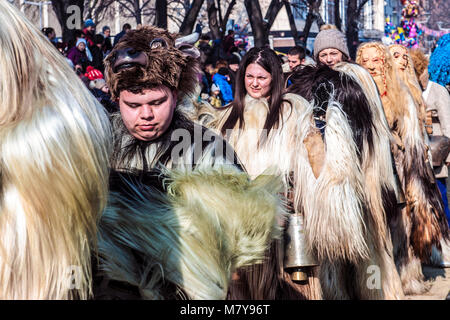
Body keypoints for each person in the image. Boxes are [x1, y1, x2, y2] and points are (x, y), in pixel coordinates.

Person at [0, 2, 283, 300]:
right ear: (115, 97)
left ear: (175, 95)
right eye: (132, 105)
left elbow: (241, 244)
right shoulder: (95, 143)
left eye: (156, 102)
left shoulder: (207, 149)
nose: (145, 114)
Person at [204, 47, 322, 300]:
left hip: (284, 214)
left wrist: (295, 192)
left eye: (262, 78)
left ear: (274, 78)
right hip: (239, 217)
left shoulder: (293, 111)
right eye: (249, 77)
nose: (254, 84)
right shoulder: (226, 116)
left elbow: (313, 160)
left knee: (287, 283)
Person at [287, 62, 405, 299]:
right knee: (334, 258)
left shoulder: (355, 89)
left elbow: (375, 158)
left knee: (368, 254)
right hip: (330, 198)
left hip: (363, 192)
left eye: (334, 52)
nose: (329, 57)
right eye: (325, 53)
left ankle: (370, 292)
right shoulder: (318, 96)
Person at [356, 42, 450, 294]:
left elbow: (413, 146)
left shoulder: (402, 96)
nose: (371, 66)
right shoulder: (355, 92)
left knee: (400, 231)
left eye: (376, 61)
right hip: (365, 177)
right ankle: (373, 286)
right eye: (365, 61)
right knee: (373, 235)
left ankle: (405, 280)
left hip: (397, 175)